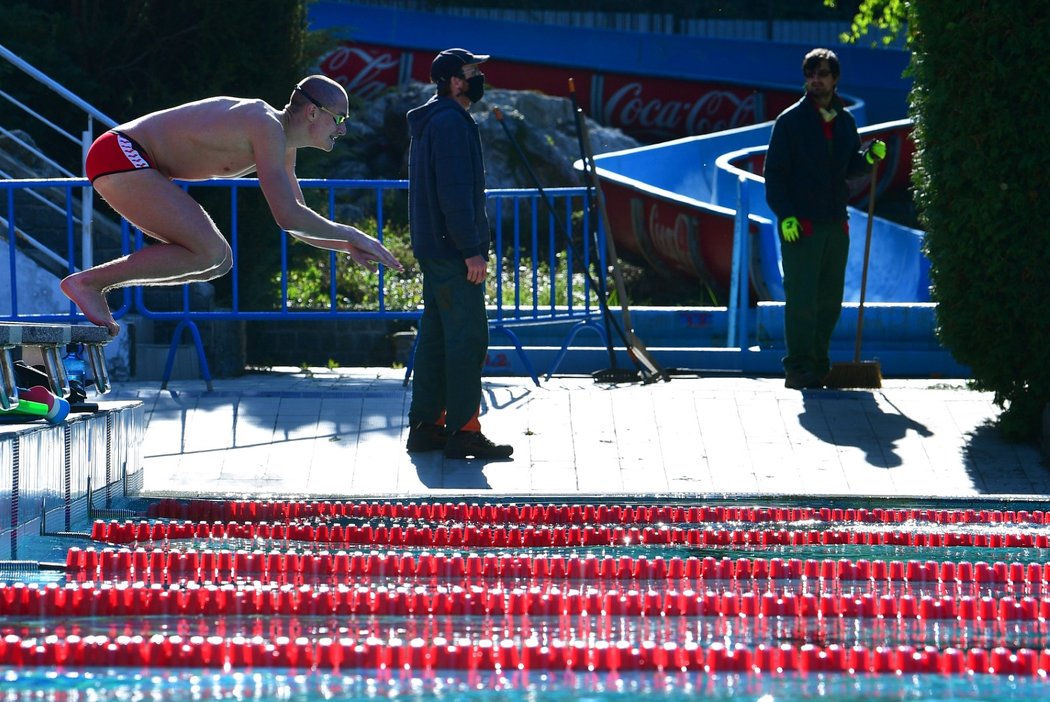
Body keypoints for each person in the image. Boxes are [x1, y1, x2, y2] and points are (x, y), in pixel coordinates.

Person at [63, 75, 403, 336]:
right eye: (339, 119)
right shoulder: (265, 125)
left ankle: (93, 283)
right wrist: (352, 234)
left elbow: (295, 218)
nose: (343, 130)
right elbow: (289, 217)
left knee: (218, 261)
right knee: (211, 252)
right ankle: (89, 283)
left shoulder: (282, 144)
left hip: (132, 161)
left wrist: (345, 244)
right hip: (122, 152)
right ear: (313, 112)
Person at [403, 48, 513, 460]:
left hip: (434, 248)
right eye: (472, 71)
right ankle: (465, 431)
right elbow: (454, 194)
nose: (479, 77)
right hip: (453, 251)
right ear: (455, 81)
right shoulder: (450, 122)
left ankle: (426, 426)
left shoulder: (433, 119)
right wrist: (471, 250)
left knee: (434, 338)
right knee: (468, 338)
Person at [764, 48, 886, 390]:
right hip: (801, 225)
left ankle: (818, 365)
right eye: (810, 74)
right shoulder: (789, 121)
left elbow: (850, 168)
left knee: (830, 300)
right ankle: (797, 367)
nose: (815, 80)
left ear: (835, 80)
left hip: (836, 222)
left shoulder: (845, 121)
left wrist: (867, 159)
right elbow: (774, 174)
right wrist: (785, 215)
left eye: (822, 74)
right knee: (802, 298)